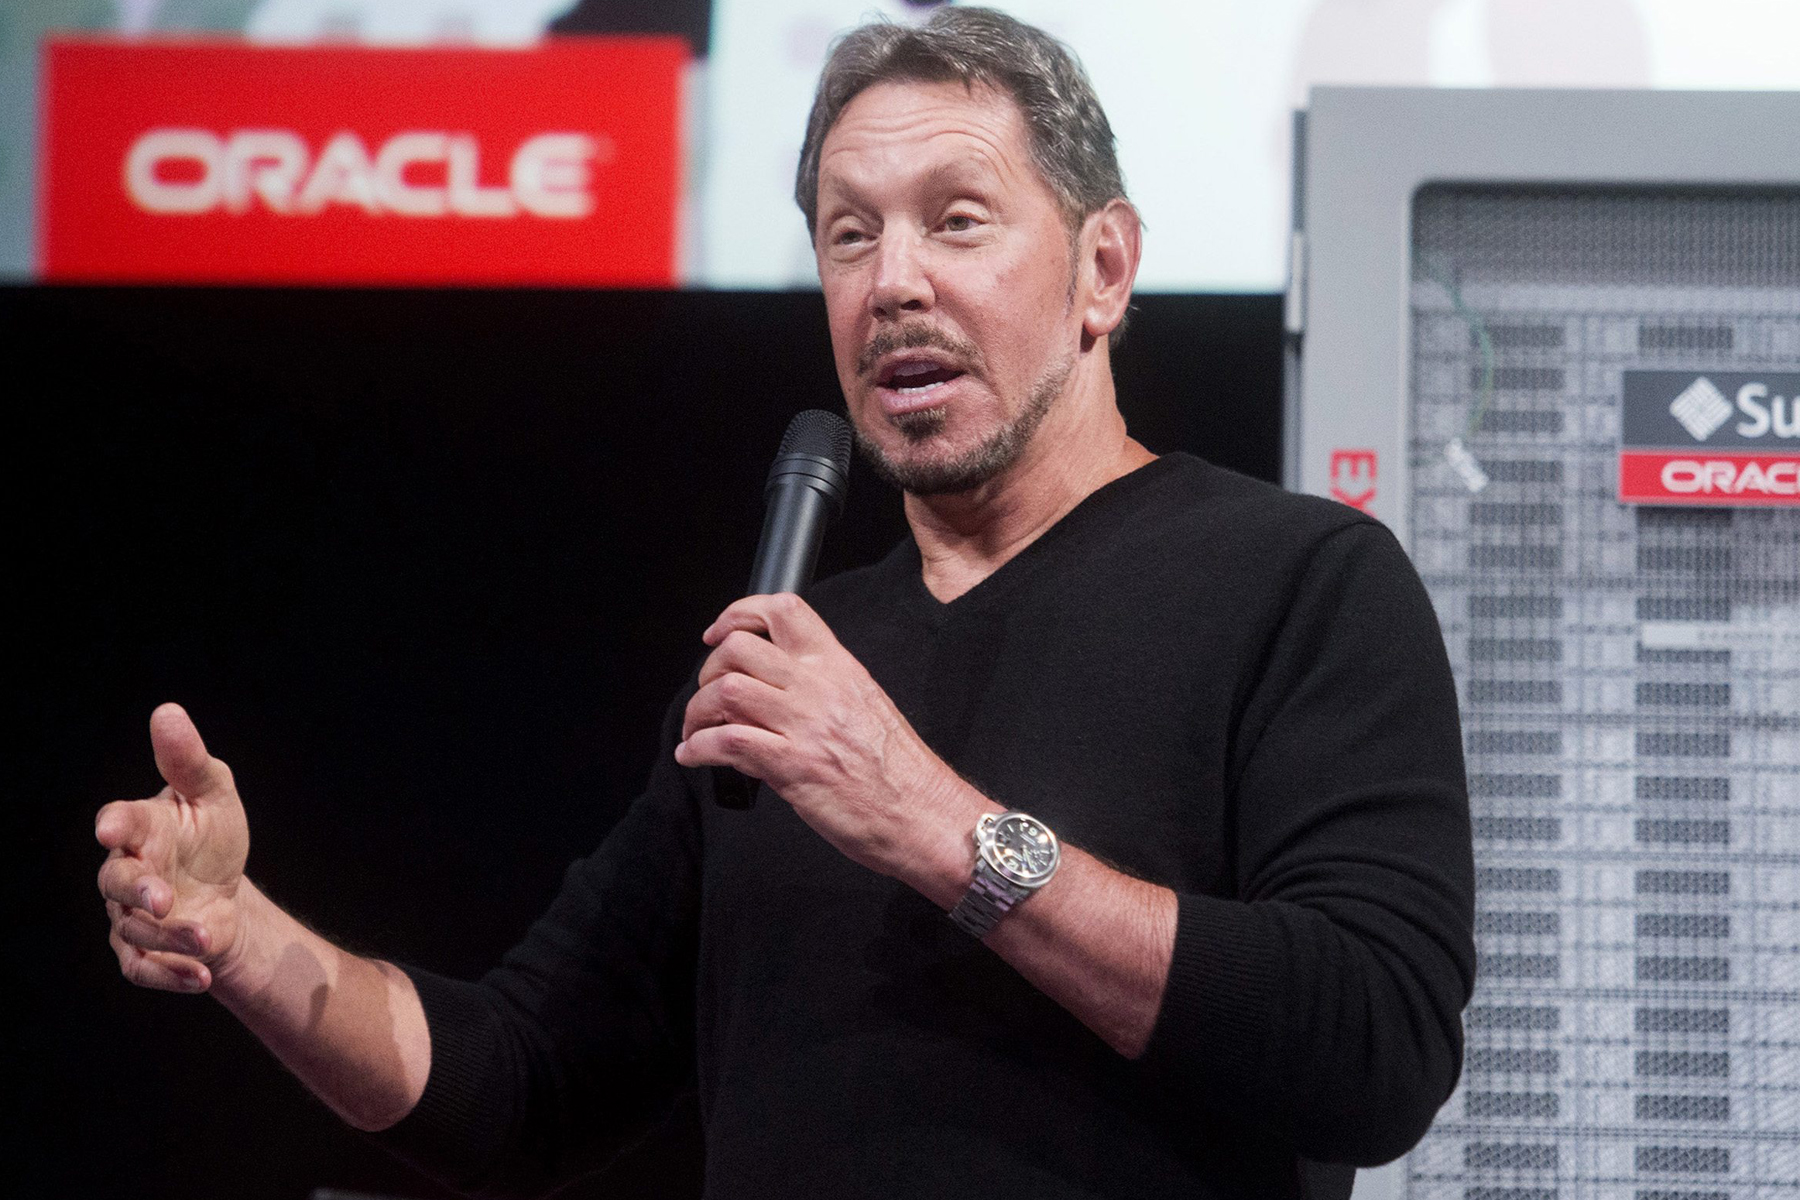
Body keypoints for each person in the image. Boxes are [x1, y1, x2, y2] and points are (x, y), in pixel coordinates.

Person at [96, 9, 1475, 1198]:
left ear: (1103, 269)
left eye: (957, 220)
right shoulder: (788, 671)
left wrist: (938, 828)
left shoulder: (1301, 584)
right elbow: (515, 1083)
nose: (894, 283)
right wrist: (244, 941)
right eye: (849, 235)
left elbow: (1376, 1047)